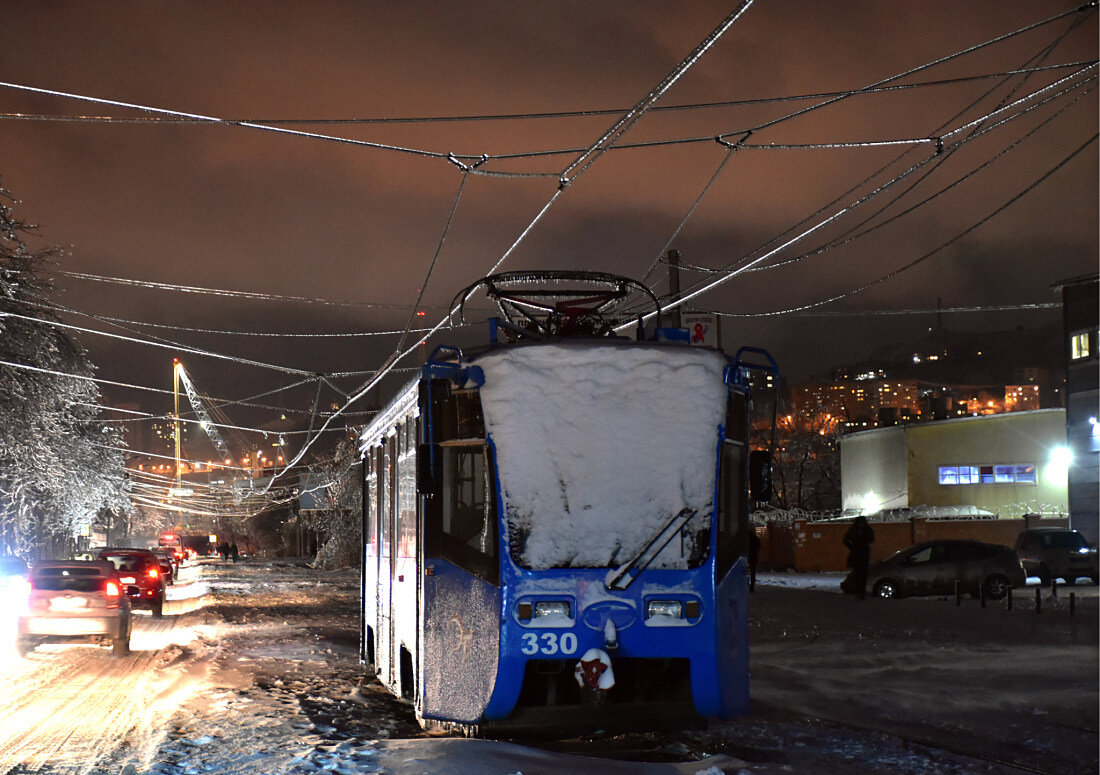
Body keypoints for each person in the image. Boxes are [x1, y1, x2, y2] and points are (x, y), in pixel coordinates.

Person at [842, 516, 875, 600]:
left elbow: (871, 539)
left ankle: (861, 593)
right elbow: (845, 540)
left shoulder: (867, 530)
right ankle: (858, 592)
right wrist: (853, 547)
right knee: (857, 574)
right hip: (856, 554)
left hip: (863, 554)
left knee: (863, 575)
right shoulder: (853, 530)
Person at [747, 528, 761, 593]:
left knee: (745, 572)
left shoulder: (746, 539)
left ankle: (746, 585)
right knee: (753, 573)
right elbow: (759, 547)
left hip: (747, 557)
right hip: (754, 558)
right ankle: (752, 588)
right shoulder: (756, 538)